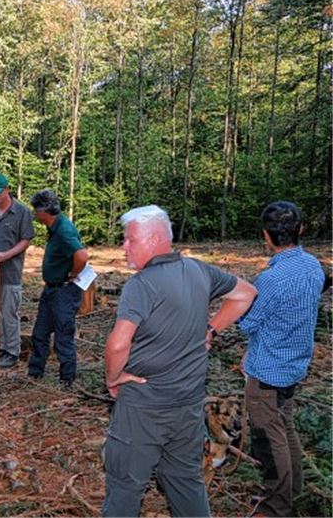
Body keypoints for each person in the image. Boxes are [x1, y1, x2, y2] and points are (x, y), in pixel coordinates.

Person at [101, 205, 256, 517]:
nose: (123, 246)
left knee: (125, 487)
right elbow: (246, 293)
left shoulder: (141, 285)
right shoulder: (199, 270)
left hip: (143, 409)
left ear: (155, 239)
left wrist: (113, 378)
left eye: (130, 239)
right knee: (185, 482)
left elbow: (118, 344)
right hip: (186, 406)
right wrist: (212, 328)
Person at [237, 201, 324, 517]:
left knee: (269, 442)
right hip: (294, 365)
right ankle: (293, 489)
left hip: (268, 372)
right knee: (285, 429)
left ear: (266, 235)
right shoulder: (313, 267)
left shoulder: (270, 280)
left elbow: (248, 322)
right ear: (300, 230)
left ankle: (276, 507)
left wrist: (238, 299)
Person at [27, 190, 89, 388]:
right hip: (51, 290)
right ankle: (35, 373)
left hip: (64, 291)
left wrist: (73, 273)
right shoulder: (54, 227)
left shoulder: (63, 230)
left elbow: (82, 255)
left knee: (63, 336)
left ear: (44, 211)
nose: (35, 214)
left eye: (36, 210)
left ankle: (67, 380)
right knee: (40, 332)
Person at [0, 173, 35, 368]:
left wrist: (6, 255)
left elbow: (25, 240)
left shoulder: (22, 212)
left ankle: (12, 350)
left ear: (7, 189)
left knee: (9, 313)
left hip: (10, 271)